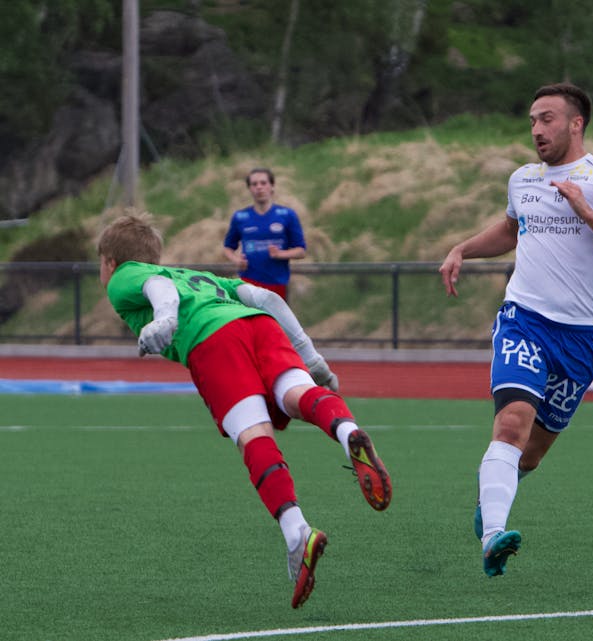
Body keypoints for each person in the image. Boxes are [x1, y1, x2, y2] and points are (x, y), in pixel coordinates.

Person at [98, 212, 392, 608]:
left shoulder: (125, 277)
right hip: (260, 324)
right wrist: (314, 359)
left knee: (252, 433)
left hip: (212, 339)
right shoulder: (198, 276)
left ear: (109, 262)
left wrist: (167, 318)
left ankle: (297, 532)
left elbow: (157, 284)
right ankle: (347, 432)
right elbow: (266, 298)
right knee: (296, 392)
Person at [438, 82, 593, 577]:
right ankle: (494, 536)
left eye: (548, 119)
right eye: (533, 119)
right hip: (524, 321)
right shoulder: (523, 179)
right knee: (512, 424)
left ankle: (490, 501)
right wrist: (462, 249)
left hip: (580, 340)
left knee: (530, 454)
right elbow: (512, 230)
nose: (537, 129)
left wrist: (585, 210)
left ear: (577, 123)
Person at [223, 168, 307, 301]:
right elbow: (227, 248)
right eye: (254, 184)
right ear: (249, 188)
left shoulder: (287, 215)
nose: (259, 187)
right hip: (248, 283)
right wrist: (236, 260)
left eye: (263, 183)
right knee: (251, 321)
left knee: (275, 322)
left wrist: (280, 254)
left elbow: (301, 251)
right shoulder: (240, 217)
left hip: (277, 283)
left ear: (272, 186)